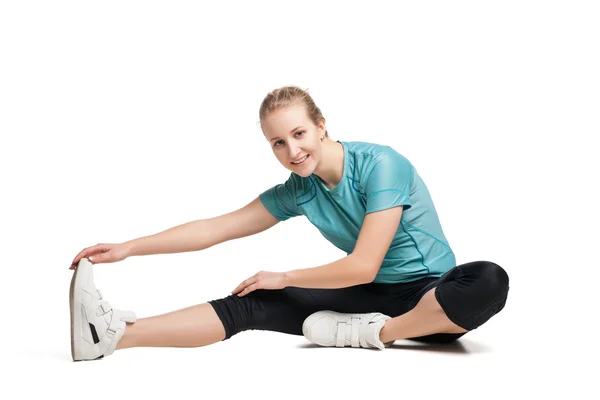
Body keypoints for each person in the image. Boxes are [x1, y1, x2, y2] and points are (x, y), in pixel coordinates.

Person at [68, 86, 510, 361]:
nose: (291, 151)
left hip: (432, 301)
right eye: (278, 143)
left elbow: (364, 266)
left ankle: (377, 333)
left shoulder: (381, 165)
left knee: (488, 278)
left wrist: (286, 277)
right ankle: (112, 337)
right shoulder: (298, 189)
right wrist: (129, 247)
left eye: (298, 134)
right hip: (372, 298)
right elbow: (215, 228)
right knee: (250, 300)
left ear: (321, 127)